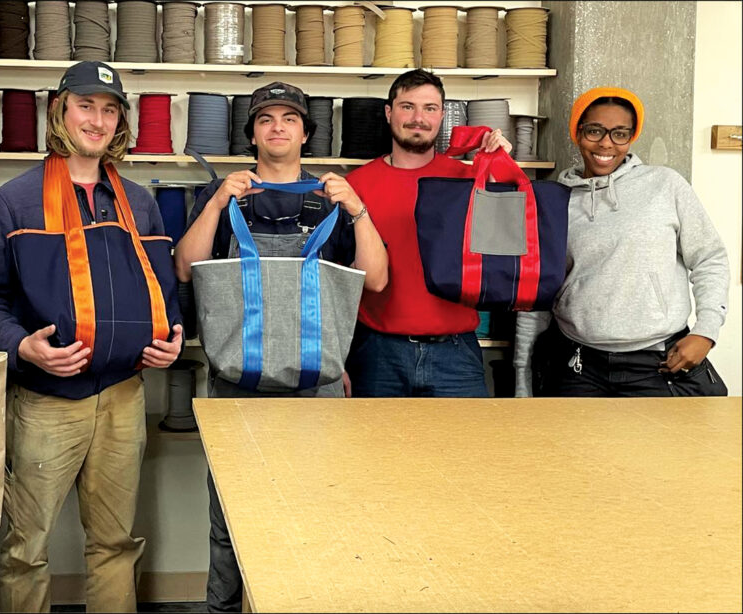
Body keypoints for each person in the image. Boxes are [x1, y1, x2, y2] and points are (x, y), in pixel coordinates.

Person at [0, 61, 183, 613]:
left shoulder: (139, 203)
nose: (97, 119)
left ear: (121, 123)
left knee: (115, 544)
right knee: (27, 548)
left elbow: (162, 292)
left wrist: (172, 338)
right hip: (45, 404)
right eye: (85, 105)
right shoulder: (11, 204)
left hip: (122, 397)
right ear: (59, 111)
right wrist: (23, 346)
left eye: (110, 109)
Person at [174, 81, 388, 613]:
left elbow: (377, 280)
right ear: (252, 133)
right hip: (236, 386)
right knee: (230, 518)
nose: (277, 127)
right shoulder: (224, 197)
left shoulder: (331, 198)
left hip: (316, 389)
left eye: (288, 119)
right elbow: (185, 265)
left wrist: (358, 209)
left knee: (314, 514)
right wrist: (220, 198)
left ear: (304, 132)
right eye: (265, 118)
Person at [513, 87, 729, 397]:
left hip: (659, 363)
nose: (605, 143)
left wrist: (706, 332)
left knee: (668, 447)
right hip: (578, 366)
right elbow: (534, 297)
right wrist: (523, 380)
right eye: (594, 131)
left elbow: (710, 258)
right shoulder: (555, 201)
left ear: (631, 137)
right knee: (571, 448)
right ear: (577, 132)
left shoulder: (665, 185)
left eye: (619, 134)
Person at [344, 69, 511, 398]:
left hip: (455, 354)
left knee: (464, 450)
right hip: (376, 353)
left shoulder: (469, 180)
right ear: (389, 112)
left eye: (430, 108)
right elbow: (339, 283)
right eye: (407, 107)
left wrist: (501, 170)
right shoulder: (356, 186)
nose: (418, 118)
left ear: (442, 115)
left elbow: (505, 246)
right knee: (373, 451)